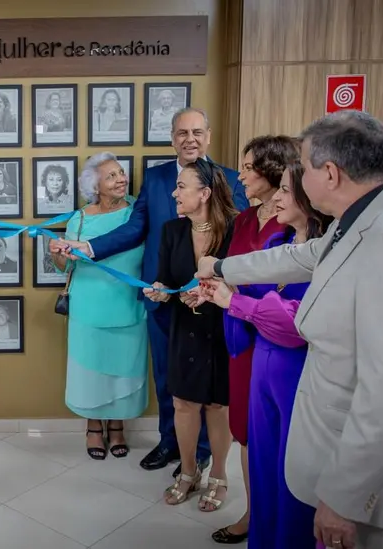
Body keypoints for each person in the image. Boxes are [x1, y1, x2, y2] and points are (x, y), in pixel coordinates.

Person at [197, 111, 383, 549]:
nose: (294, 180)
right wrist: (221, 266)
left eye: (305, 167)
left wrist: (345, 497)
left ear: (330, 174)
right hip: (327, 458)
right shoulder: (358, 220)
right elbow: (300, 257)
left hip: (365, 499)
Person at [54, 107, 249, 477]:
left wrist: (216, 281)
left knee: (209, 380)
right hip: (160, 293)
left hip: (209, 297)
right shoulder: (158, 178)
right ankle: (169, 442)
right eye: (181, 133)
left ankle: (202, 452)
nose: (189, 139)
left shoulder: (230, 178)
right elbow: (136, 226)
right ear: (172, 138)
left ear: (208, 135)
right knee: (166, 373)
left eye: (196, 132)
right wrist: (89, 247)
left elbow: (237, 234)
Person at [202, 155, 330, 548]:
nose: (276, 200)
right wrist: (217, 292)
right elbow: (251, 293)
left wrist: (233, 302)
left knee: (292, 474)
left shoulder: (327, 255)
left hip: (296, 374)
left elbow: (296, 325)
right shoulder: (278, 244)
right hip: (261, 368)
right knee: (262, 467)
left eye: (286, 192)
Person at [144, 158, 237, 512]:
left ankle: (219, 475)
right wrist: (160, 290)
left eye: (182, 186)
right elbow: (166, 280)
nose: (174, 192)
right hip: (185, 328)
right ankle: (187, 472)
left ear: (205, 193)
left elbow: (244, 277)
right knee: (183, 402)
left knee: (217, 404)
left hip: (222, 328)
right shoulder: (171, 231)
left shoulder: (234, 229)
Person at [214, 134, 294, 543]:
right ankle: (254, 514)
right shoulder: (244, 219)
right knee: (245, 430)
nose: (240, 174)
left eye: (248, 167)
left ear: (273, 170)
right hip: (240, 338)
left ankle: (269, 518)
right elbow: (230, 271)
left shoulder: (296, 220)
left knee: (274, 438)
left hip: (278, 341)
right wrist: (211, 289)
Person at [52, 153, 148, 460]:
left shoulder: (137, 212)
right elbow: (63, 266)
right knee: (91, 370)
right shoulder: (78, 219)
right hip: (88, 306)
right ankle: (94, 427)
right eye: (111, 176)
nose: (121, 179)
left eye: (121, 172)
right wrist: (57, 251)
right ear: (96, 187)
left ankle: (117, 426)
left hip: (128, 304)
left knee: (122, 366)